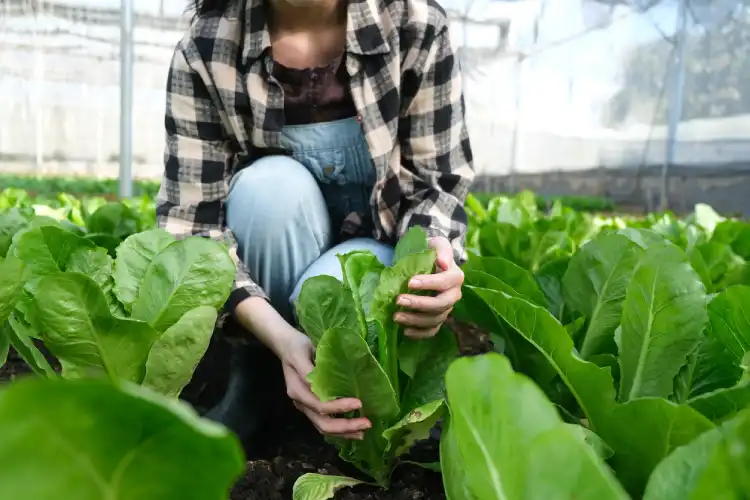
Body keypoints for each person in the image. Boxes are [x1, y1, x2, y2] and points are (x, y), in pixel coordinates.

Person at [157, 0, 474, 447]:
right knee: (269, 190)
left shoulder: (413, 25)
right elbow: (192, 228)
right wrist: (282, 339)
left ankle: (366, 414)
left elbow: (436, 183)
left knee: (336, 302)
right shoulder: (208, 47)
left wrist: (435, 256)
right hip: (271, 296)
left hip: (369, 257)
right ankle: (261, 379)